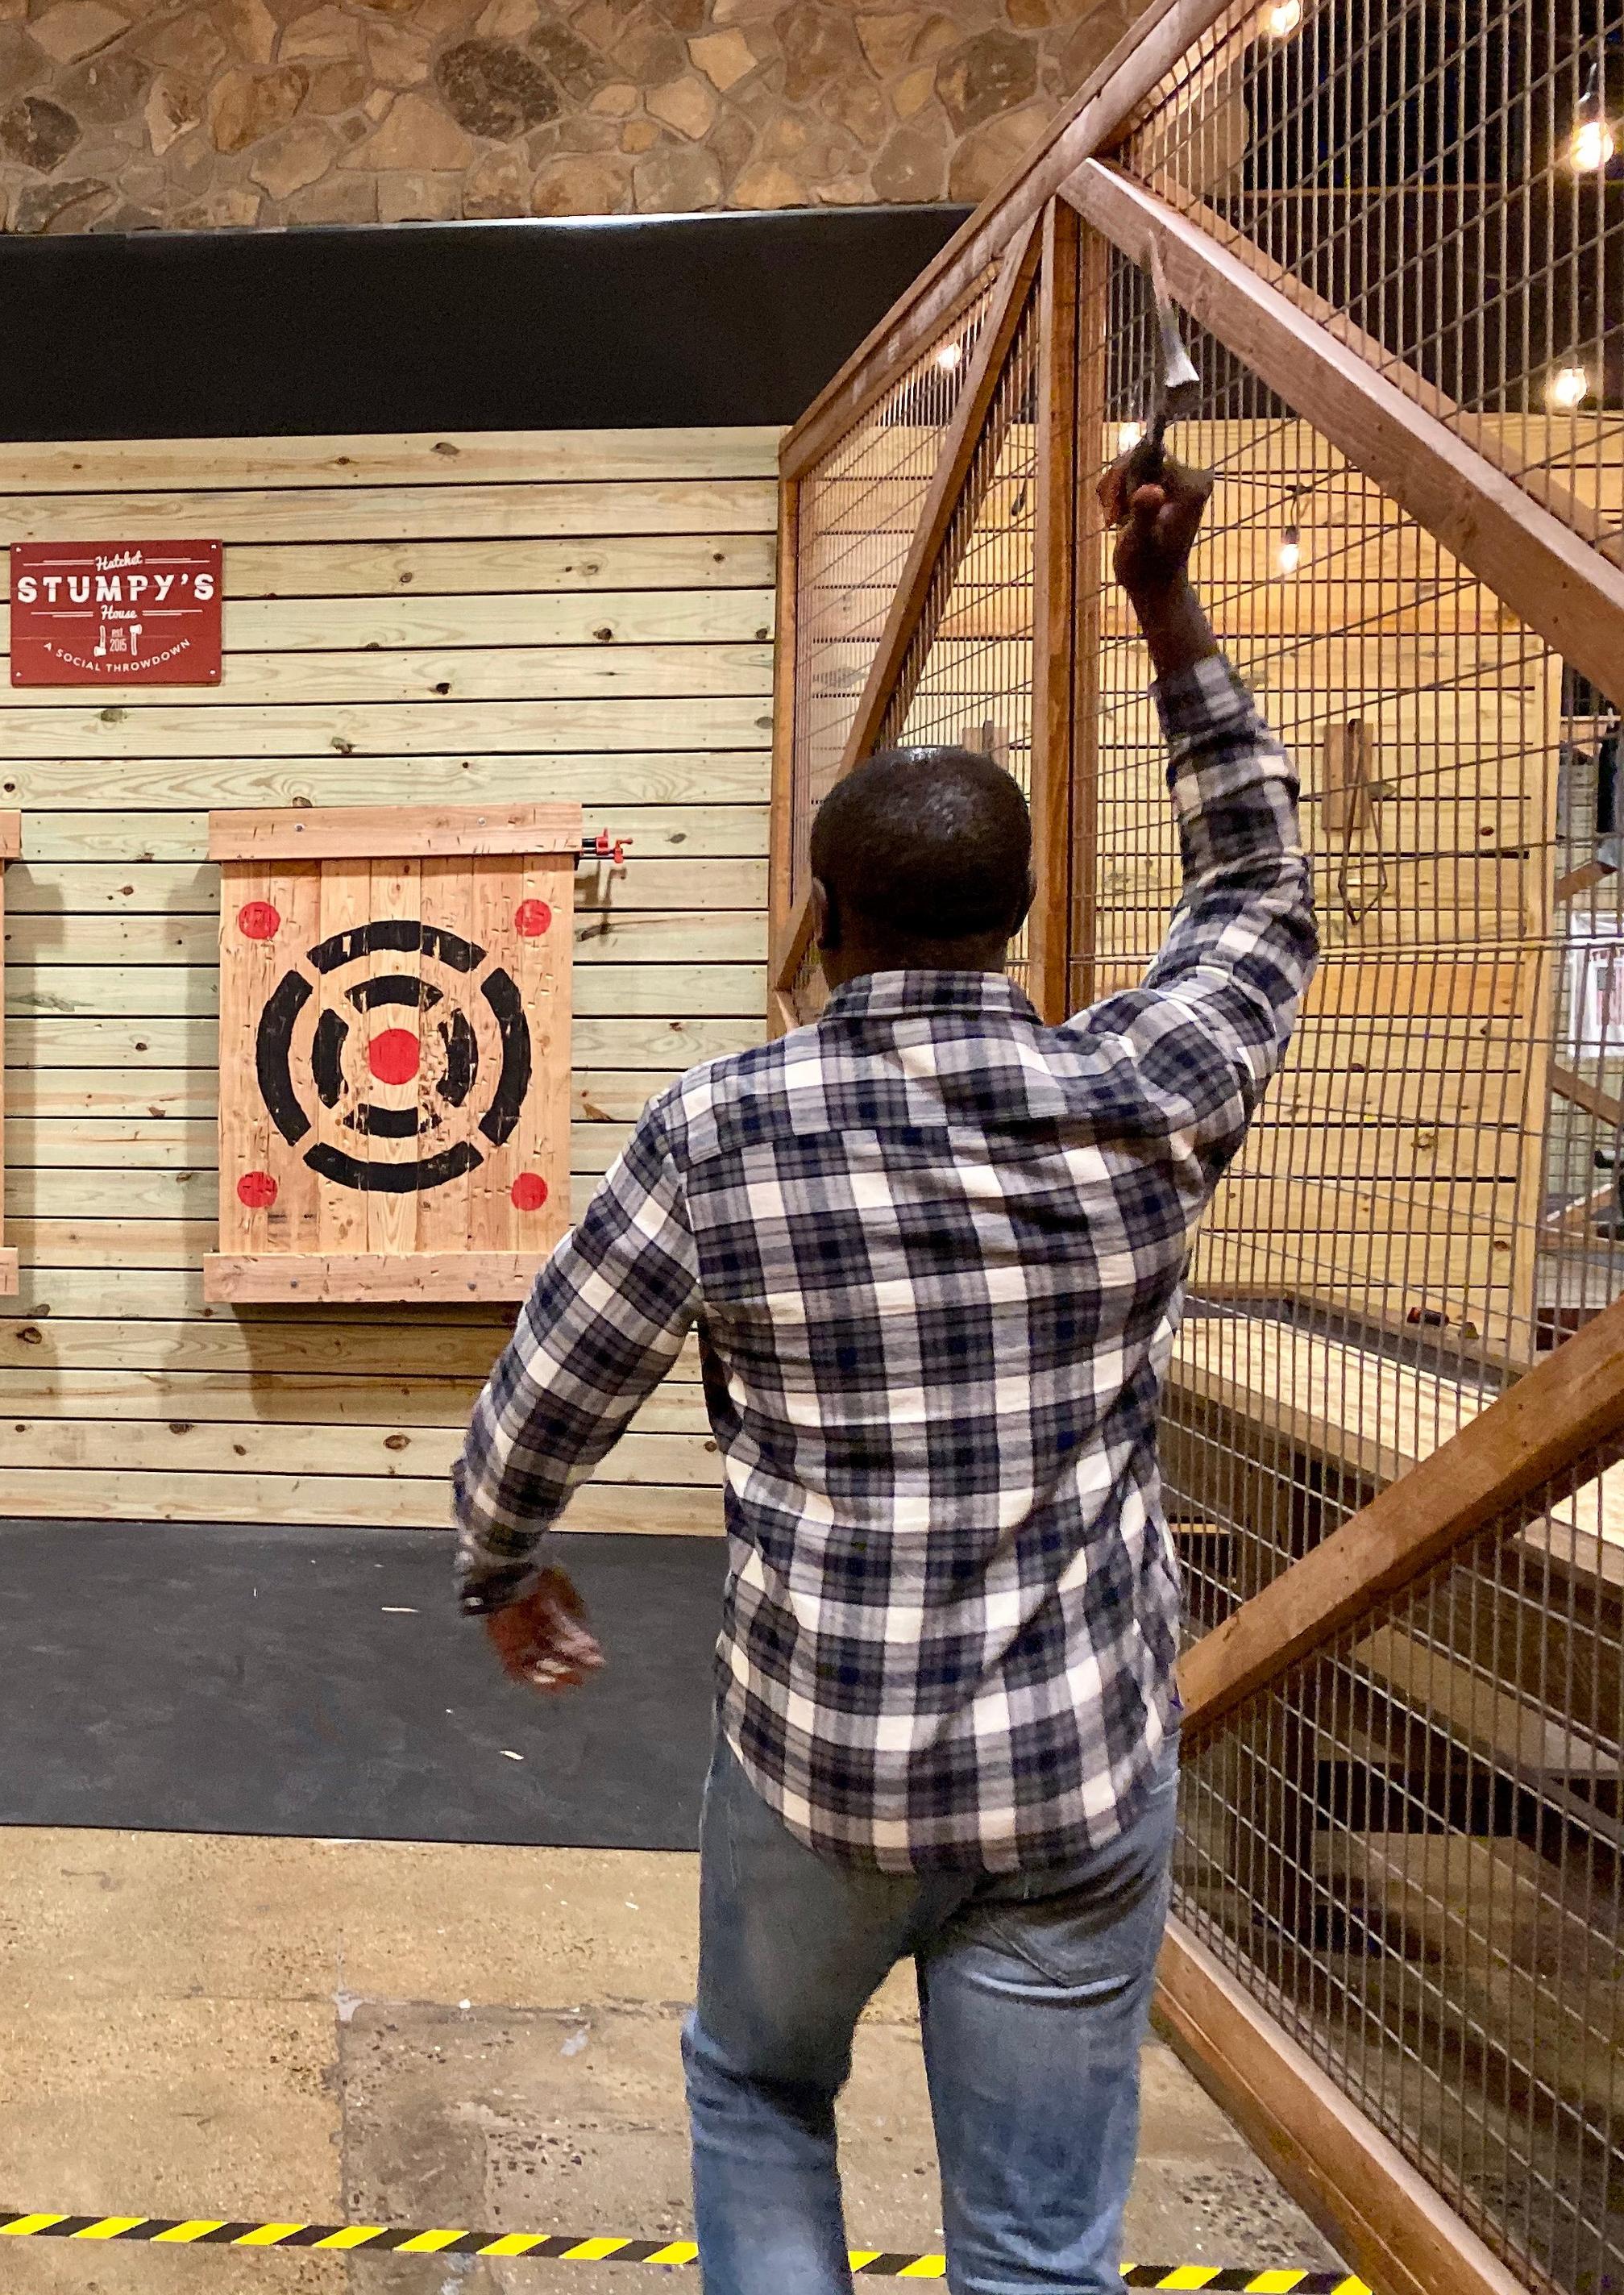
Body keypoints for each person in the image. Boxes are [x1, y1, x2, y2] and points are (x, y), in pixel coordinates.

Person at [450, 455, 1316, 2293]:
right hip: (1073, 1773)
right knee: (1035, 2251)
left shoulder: (724, 1129)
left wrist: (504, 1568)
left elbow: (546, 1396)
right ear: (1014, 914)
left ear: (827, 917)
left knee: (760, 2092)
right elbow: (1257, 879)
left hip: (821, 1761)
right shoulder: (1149, 1094)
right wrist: (1165, 613)